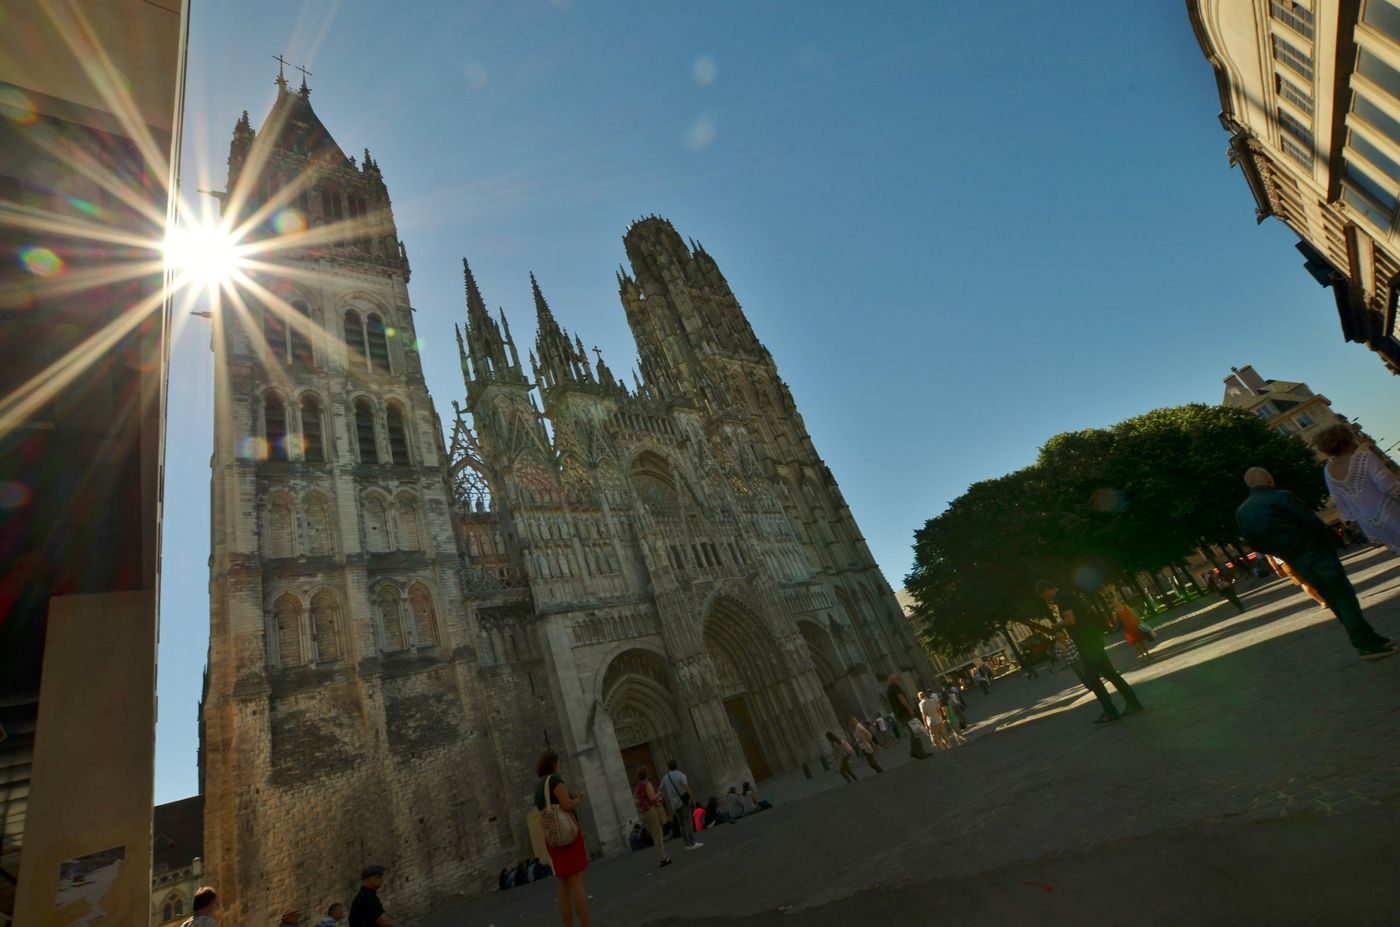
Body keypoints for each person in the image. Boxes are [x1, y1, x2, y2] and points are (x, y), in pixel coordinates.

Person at [1236, 467, 1395, 661]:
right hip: (1315, 552)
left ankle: (1369, 639)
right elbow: (1311, 522)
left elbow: (1254, 543)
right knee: (1344, 597)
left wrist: (1280, 552)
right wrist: (1330, 543)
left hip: (1296, 559)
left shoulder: (1242, 512)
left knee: (1333, 599)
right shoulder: (1282, 497)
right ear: (1268, 479)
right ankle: (1366, 644)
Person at [1036, 581, 1145, 723]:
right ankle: (1132, 703)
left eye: (1044, 596)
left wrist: (1057, 625)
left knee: (1093, 678)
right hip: (1093, 639)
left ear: (1047, 590)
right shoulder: (1070, 596)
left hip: (1086, 643)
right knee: (1109, 673)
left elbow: (1071, 621)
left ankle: (1111, 711)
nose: (1046, 599)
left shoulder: (1061, 599)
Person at [1318, 424, 1400, 553]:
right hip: (1391, 511)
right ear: (1347, 439)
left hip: (1369, 521)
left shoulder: (1328, 470)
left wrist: (1355, 522)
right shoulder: (1364, 458)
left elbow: (1338, 499)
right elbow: (1387, 485)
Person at [535, 751, 593, 926]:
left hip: (552, 837)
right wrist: (576, 800)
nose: (559, 765)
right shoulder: (554, 780)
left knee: (563, 883)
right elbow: (566, 805)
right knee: (577, 881)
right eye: (558, 762)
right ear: (553, 763)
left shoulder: (539, 786)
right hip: (567, 835)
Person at [632, 765, 672, 867]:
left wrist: (641, 803)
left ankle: (661, 858)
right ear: (647, 774)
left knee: (654, 834)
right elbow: (652, 798)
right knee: (658, 833)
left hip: (643, 813)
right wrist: (659, 794)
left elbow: (635, 800)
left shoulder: (638, 787)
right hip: (650, 811)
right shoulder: (647, 784)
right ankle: (663, 858)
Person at [659, 759, 702, 850]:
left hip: (674, 804)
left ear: (668, 767)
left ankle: (686, 844)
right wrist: (693, 798)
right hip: (683, 802)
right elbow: (687, 788)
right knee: (688, 822)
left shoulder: (665, 778)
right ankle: (692, 842)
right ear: (676, 765)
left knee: (681, 824)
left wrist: (666, 798)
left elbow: (660, 789)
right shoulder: (680, 775)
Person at [886, 675, 929, 759]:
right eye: (897, 679)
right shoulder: (894, 687)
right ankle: (920, 753)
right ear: (893, 680)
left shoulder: (889, 690)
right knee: (915, 731)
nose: (898, 681)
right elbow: (901, 697)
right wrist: (909, 709)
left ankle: (915, 751)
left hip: (900, 713)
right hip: (904, 712)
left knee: (915, 731)